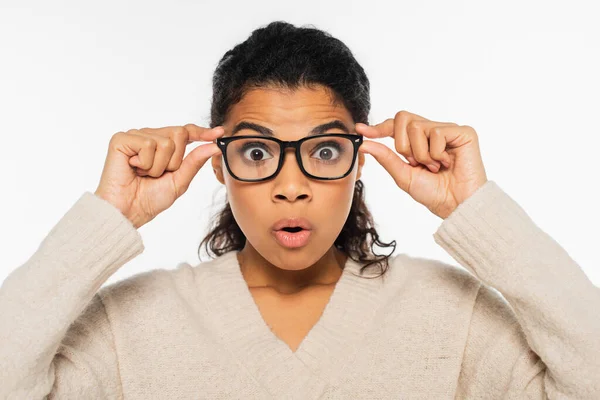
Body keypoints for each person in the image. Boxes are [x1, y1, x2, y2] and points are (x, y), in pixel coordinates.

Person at [1, 20, 598, 399]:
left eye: (325, 150)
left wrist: (478, 211)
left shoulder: (452, 314)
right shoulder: (128, 326)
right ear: (218, 162)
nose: (291, 187)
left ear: (360, 162)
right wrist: (108, 218)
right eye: (257, 151)